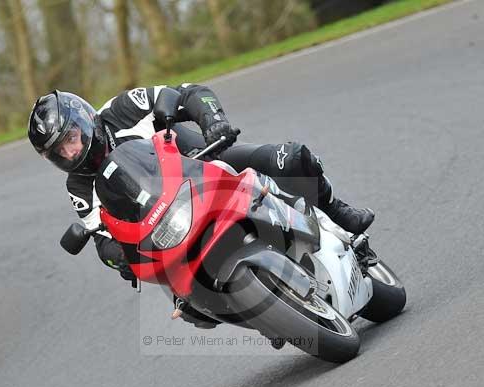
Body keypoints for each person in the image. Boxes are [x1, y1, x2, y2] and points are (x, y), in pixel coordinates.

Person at [27, 85, 375, 281]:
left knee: (292, 157)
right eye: (59, 151)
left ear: (83, 119)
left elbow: (188, 93)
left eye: (70, 138)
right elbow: (100, 240)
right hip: (171, 229)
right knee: (183, 298)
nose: (71, 152)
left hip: (208, 163)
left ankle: (337, 211)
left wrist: (213, 123)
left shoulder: (120, 110)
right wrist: (121, 259)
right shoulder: (78, 186)